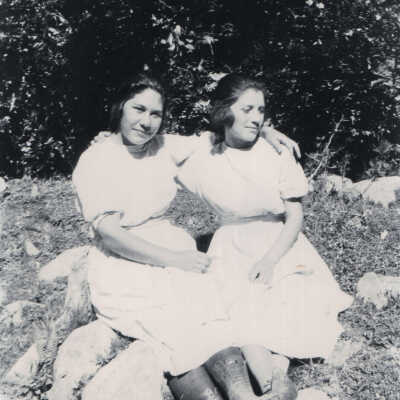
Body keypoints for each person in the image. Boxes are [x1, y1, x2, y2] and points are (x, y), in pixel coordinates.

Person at [72, 73, 300, 400]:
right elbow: (110, 235)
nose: (146, 122)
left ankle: (244, 393)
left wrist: (265, 129)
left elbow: (222, 130)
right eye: (138, 109)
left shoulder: (164, 146)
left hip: (170, 246)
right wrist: (175, 260)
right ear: (120, 107)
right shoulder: (96, 159)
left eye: (156, 114)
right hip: (123, 261)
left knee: (211, 310)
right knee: (171, 328)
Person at [177, 73, 354, 397]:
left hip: (279, 241)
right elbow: (155, 153)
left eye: (261, 110)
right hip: (230, 244)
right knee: (237, 304)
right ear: (224, 111)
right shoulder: (206, 155)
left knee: (288, 298)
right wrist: (111, 140)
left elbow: (295, 216)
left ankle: (276, 377)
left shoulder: (276, 154)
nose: (257, 118)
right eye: (247, 109)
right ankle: (265, 378)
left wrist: (270, 260)